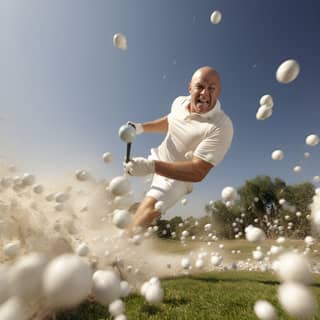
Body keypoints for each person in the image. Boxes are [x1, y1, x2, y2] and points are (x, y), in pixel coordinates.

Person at [122, 66, 233, 236]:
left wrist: (151, 167)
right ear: (190, 88)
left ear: (218, 92)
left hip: (178, 179)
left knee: (146, 211)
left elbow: (198, 171)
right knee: (119, 193)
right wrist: (140, 128)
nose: (204, 93)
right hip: (157, 158)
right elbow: (171, 121)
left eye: (211, 88)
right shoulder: (179, 102)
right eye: (200, 87)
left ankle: (118, 255)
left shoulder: (221, 126)